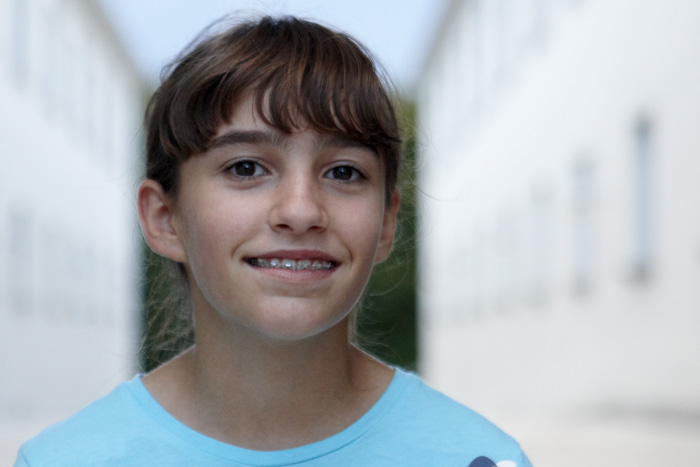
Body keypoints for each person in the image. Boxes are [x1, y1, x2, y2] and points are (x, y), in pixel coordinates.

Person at [15, 15, 532, 466]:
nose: (301, 211)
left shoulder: (476, 457)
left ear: (385, 223)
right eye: (246, 168)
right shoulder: (63, 461)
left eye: (345, 172)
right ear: (164, 218)